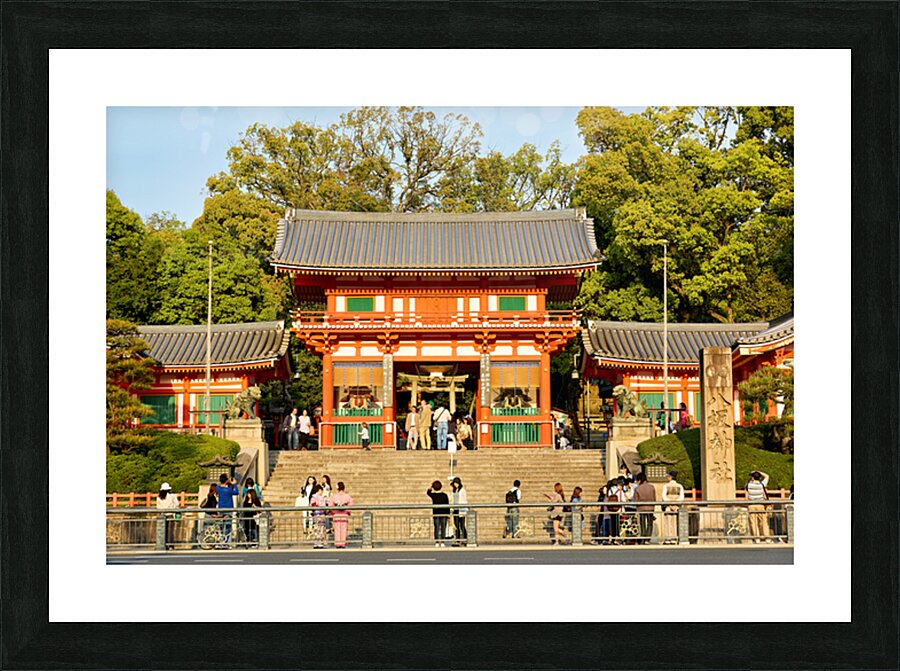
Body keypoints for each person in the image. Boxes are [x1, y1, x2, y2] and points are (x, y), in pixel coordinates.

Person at [745, 470, 771, 542]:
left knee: (753, 522)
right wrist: (758, 472)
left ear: (752, 478)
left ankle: (757, 539)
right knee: (763, 522)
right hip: (761, 504)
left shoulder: (748, 485)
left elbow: (746, 494)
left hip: (751, 505)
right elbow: (767, 476)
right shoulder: (762, 484)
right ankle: (767, 538)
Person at [661, 471, 685, 544]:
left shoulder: (666, 486)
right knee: (675, 522)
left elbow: (664, 497)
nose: (667, 477)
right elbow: (681, 497)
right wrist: (675, 504)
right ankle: (675, 538)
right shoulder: (680, 486)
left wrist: (670, 504)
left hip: (668, 506)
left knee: (667, 522)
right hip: (676, 506)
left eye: (668, 476)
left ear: (671, 477)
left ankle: (668, 539)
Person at [633, 471, 657, 543]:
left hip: (641, 508)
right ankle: (648, 538)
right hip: (650, 508)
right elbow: (654, 498)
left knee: (642, 523)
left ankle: (643, 537)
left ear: (639, 480)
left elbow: (636, 500)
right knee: (650, 523)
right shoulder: (651, 487)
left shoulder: (637, 489)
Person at [426, 480, 450, 547]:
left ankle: (437, 541)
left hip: (436, 514)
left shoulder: (433, 495)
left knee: (436, 528)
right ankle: (442, 541)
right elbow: (447, 505)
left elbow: (428, 492)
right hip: (444, 514)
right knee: (443, 528)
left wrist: (430, 487)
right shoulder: (444, 495)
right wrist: (448, 514)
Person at [156, 482, 179, 550]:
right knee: (170, 531)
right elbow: (176, 504)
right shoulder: (172, 496)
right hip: (170, 514)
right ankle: (171, 544)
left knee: (163, 530)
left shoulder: (159, 497)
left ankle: (163, 544)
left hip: (162, 514)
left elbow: (158, 507)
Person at [330, 481, 354, 548]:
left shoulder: (334, 496)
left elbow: (331, 505)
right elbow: (351, 504)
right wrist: (346, 509)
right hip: (344, 514)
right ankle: (343, 543)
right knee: (344, 528)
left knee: (337, 529)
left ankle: (338, 543)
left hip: (337, 514)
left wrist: (334, 511)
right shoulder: (347, 496)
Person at [310, 484, 330, 549]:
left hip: (316, 514)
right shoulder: (320, 497)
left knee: (317, 528)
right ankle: (320, 542)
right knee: (320, 529)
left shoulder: (313, 497)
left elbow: (312, 505)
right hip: (320, 514)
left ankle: (316, 543)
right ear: (319, 490)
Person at [450, 477, 468, 546]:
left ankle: (465, 539)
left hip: (461, 509)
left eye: (456, 483)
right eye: (454, 483)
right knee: (456, 525)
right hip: (456, 509)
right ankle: (457, 540)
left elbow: (464, 500)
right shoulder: (454, 491)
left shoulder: (462, 490)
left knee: (462, 525)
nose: (455, 485)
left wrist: (465, 509)